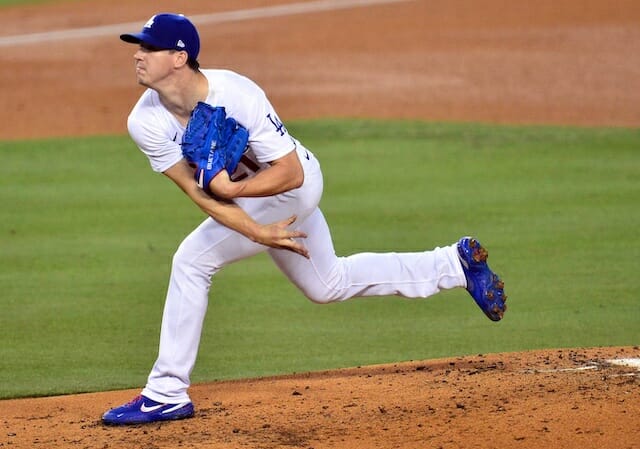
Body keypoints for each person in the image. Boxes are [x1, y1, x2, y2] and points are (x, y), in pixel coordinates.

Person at [102, 13, 507, 425]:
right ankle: (454, 264)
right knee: (327, 284)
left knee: (192, 260)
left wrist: (234, 191)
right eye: (139, 46)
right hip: (258, 204)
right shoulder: (144, 121)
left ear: (179, 58)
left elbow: (290, 172)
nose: (138, 55)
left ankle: (166, 392)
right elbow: (198, 193)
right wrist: (256, 230)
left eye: (149, 47)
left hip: (293, 188)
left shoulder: (237, 93)